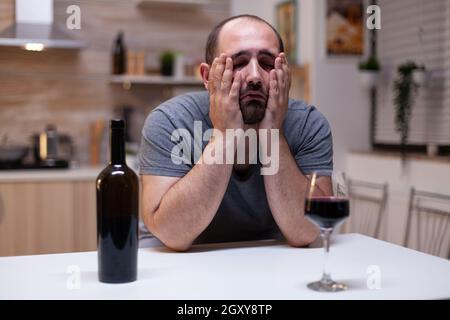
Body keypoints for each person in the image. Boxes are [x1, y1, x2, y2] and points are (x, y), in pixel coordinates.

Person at [138, 14, 333, 251]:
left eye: (267, 63)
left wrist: (273, 131)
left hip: (267, 257)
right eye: (238, 63)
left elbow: (307, 231)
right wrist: (224, 133)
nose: (254, 77)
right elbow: (172, 234)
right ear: (207, 77)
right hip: (177, 263)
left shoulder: (308, 124)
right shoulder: (170, 120)